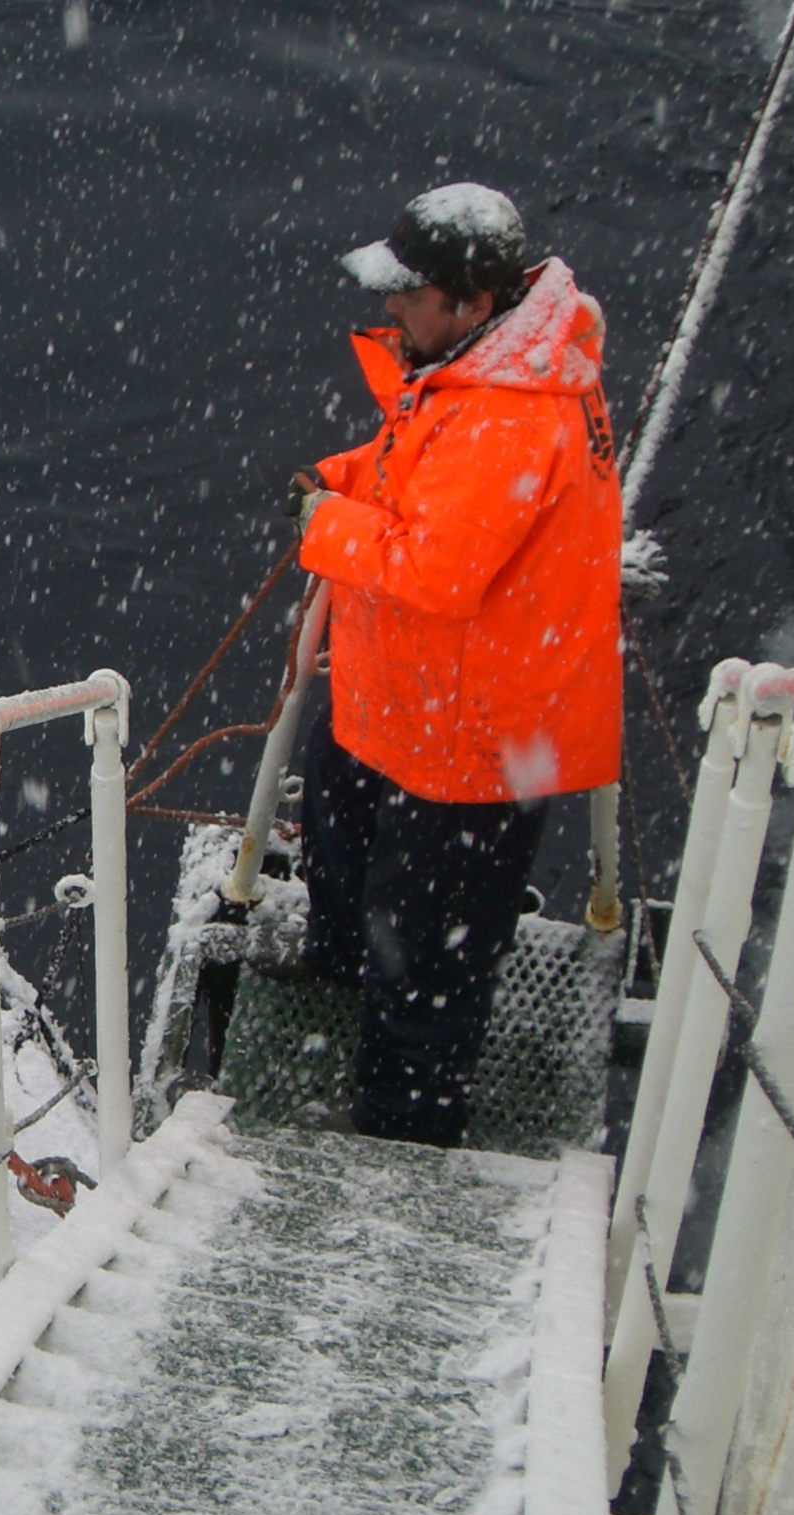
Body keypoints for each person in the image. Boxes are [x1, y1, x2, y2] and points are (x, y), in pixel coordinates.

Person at [289, 183, 622, 1145]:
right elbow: (425, 472)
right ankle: (342, 976)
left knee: (429, 963)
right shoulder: (489, 368)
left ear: (473, 304)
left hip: (474, 740)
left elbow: (433, 569)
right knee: (341, 835)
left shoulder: (510, 414)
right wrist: (345, 479)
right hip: (406, 700)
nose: (390, 308)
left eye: (410, 293)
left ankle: (401, 1136)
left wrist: (323, 522)